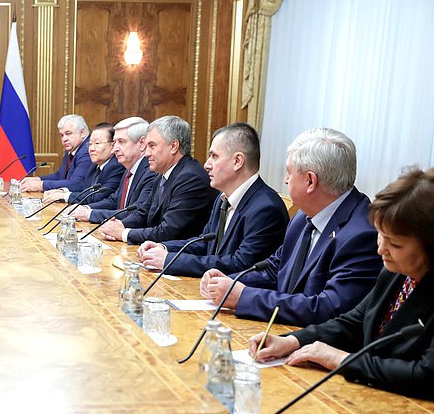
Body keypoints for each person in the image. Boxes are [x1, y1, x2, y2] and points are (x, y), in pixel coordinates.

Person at [251, 167, 434, 399]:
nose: (381, 250)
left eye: (395, 244)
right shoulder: (397, 270)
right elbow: (355, 321)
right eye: (380, 235)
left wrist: (341, 359)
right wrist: (292, 340)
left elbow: (425, 376)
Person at [202, 128, 382, 326]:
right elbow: (273, 269)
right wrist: (228, 282)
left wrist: (244, 297)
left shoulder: (362, 234)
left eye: (289, 172)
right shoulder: (303, 216)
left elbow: (328, 308)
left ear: (310, 181)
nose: (285, 180)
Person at [137, 123, 288, 275]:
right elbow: (204, 243)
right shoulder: (222, 198)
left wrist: (169, 260)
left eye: (214, 156)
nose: (207, 164)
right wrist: (163, 248)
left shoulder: (266, 209)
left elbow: (240, 264)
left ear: (237, 161)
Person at [99, 115, 216, 243]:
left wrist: (123, 233)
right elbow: (143, 213)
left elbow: (168, 231)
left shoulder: (190, 178)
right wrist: (119, 225)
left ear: (173, 146)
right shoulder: (162, 174)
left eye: (152, 145)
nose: (147, 153)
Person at [69, 116, 155, 223]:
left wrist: (90, 214)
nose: (115, 149)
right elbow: (114, 201)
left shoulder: (151, 171)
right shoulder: (129, 169)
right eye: (114, 143)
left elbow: (136, 213)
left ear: (142, 144)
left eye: (121, 142)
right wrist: (86, 208)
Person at [41, 122, 124, 205]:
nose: (91, 149)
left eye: (97, 143)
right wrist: (61, 191)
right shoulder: (95, 165)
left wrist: (65, 196)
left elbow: (97, 197)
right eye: (90, 144)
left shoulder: (116, 167)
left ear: (113, 146)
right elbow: (82, 187)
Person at [21, 114, 92, 193]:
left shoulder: (87, 151)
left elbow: (76, 184)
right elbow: (60, 176)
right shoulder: (72, 147)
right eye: (61, 135)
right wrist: (38, 179)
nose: (64, 139)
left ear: (82, 133)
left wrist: (41, 185)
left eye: (68, 133)